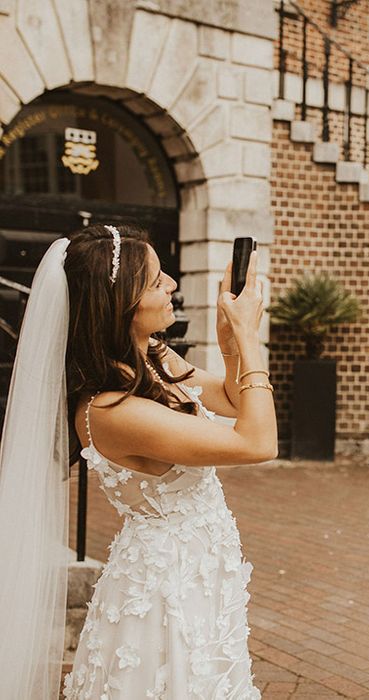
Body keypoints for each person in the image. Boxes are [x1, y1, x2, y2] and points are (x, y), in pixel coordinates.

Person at [0, 224, 276, 699]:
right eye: (155, 281)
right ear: (119, 304)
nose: (171, 283)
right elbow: (257, 442)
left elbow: (232, 399)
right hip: (165, 586)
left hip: (199, 568)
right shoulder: (110, 410)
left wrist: (229, 342)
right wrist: (251, 337)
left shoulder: (152, 359)